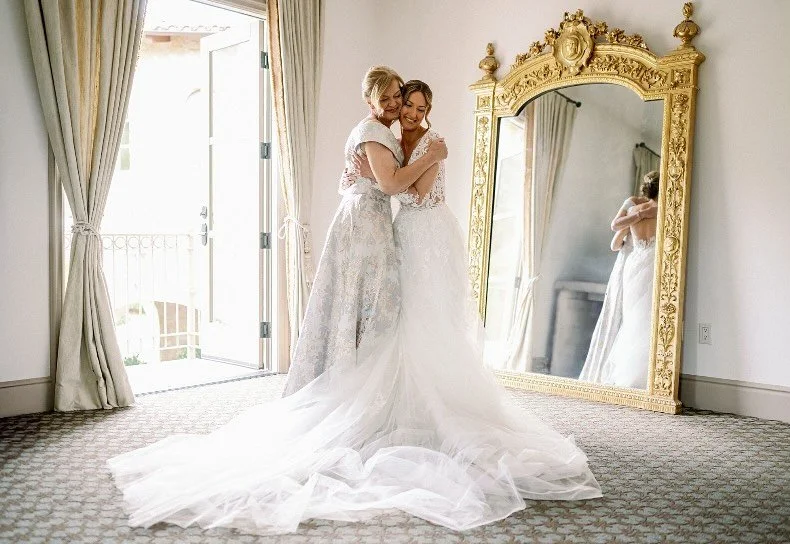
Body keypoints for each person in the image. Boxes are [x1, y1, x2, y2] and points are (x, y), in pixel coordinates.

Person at [106, 77, 600, 536]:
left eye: (417, 107)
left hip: (427, 236)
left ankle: (431, 403)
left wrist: (425, 157)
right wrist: (390, 168)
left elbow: (418, 191)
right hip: (396, 232)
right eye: (404, 103)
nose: (407, 112)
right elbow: (386, 185)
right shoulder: (385, 136)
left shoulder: (427, 141)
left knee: (425, 321)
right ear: (390, 103)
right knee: (397, 318)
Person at [281, 66, 447, 396]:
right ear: (368, 100)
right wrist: (430, 158)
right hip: (366, 224)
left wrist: (365, 176)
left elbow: (367, 181)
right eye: (383, 98)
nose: (393, 104)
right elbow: (390, 183)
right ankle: (355, 384)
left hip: (368, 218)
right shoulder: (374, 131)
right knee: (372, 300)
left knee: (362, 299)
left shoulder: (383, 132)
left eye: (396, 96)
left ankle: (365, 379)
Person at [580, 171, 659, 388]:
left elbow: (615, 242)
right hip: (652, 261)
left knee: (633, 317)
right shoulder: (662, 211)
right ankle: (643, 376)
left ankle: (628, 374)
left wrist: (635, 220)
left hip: (633, 264)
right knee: (647, 317)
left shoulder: (634, 209)